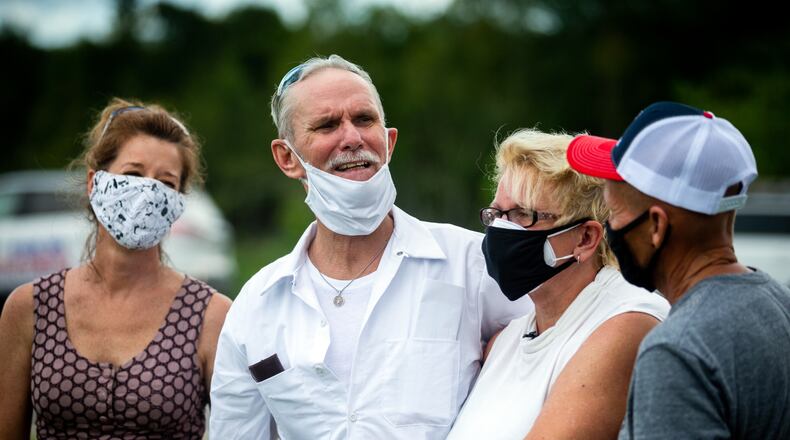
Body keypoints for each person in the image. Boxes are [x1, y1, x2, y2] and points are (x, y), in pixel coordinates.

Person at [209, 54, 532, 439]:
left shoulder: (472, 264)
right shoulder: (257, 305)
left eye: (364, 120)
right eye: (327, 125)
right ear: (286, 158)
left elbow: (550, 355)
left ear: (389, 141)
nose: (352, 138)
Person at [0, 98, 232, 439]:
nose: (148, 190)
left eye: (166, 182)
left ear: (179, 203)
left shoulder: (212, 316)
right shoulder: (30, 308)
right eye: (133, 174)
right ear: (95, 182)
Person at [567, 101, 790, 439]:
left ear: (656, 225)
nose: (609, 228)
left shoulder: (678, 353)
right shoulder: (780, 303)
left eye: (614, 212)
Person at [447, 129, 669, 440]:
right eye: (496, 213)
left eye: (523, 214)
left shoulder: (630, 320)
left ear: (586, 238)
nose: (501, 229)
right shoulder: (505, 342)